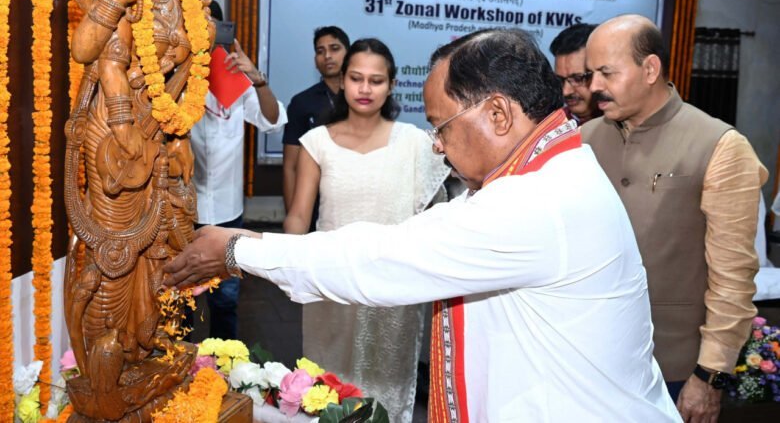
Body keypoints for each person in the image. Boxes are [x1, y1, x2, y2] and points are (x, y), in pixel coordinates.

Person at [165, 28, 680, 421]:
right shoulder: (548, 169)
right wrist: (252, 241)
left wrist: (237, 249)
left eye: (442, 126)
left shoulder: (540, 199)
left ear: (499, 114)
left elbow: (384, 257)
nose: (436, 143)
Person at [581, 14, 768, 421]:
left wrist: (709, 375)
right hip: (588, 362)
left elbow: (732, 277)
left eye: (606, 73)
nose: (595, 87)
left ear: (651, 69)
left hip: (674, 370)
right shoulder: (583, 141)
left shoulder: (720, 145)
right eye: (591, 74)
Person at [62, 0, 208, 419]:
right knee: (116, 251)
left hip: (157, 130)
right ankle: (105, 356)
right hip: (116, 135)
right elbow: (89, 52)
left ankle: (141, 343)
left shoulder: (189, 0)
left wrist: (179, 134)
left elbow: (183, 86)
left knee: (157, 240)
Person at [284, 38, 449, 422]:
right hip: (330, 285)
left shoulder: (414, 143)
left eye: (376, 80)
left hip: (391, 288)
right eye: (356, 78)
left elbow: (437, 216)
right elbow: (298, 215)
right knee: (327, 386)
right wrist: (286, 265)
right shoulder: (317, 142)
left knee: (385, 387)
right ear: (341, 81)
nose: (365, 88)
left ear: (391, 85)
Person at [189, 1, 288, 339]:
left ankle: (222, 366)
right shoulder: (174, 73)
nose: (206, 33)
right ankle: (176, 366)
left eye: (212, 27)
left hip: (228, 211)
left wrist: (257, 80)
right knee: (178, 295)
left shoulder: (236, 78)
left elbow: (273, 122)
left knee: (225, 299)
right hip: (184, 210)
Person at [282, 26, 350, 224]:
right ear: (315, 60)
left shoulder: (360, 98)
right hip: (312, 202)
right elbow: (290, 166)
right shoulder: (302, 103)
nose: (327, 56)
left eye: (335, 48)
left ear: (349, 53)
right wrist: (292, 216)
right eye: (320, 51)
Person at [549, 23, 602, 124]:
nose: (566, 92)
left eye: (578, 79)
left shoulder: (626, 127)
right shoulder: (552, 128)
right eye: (560, 80)